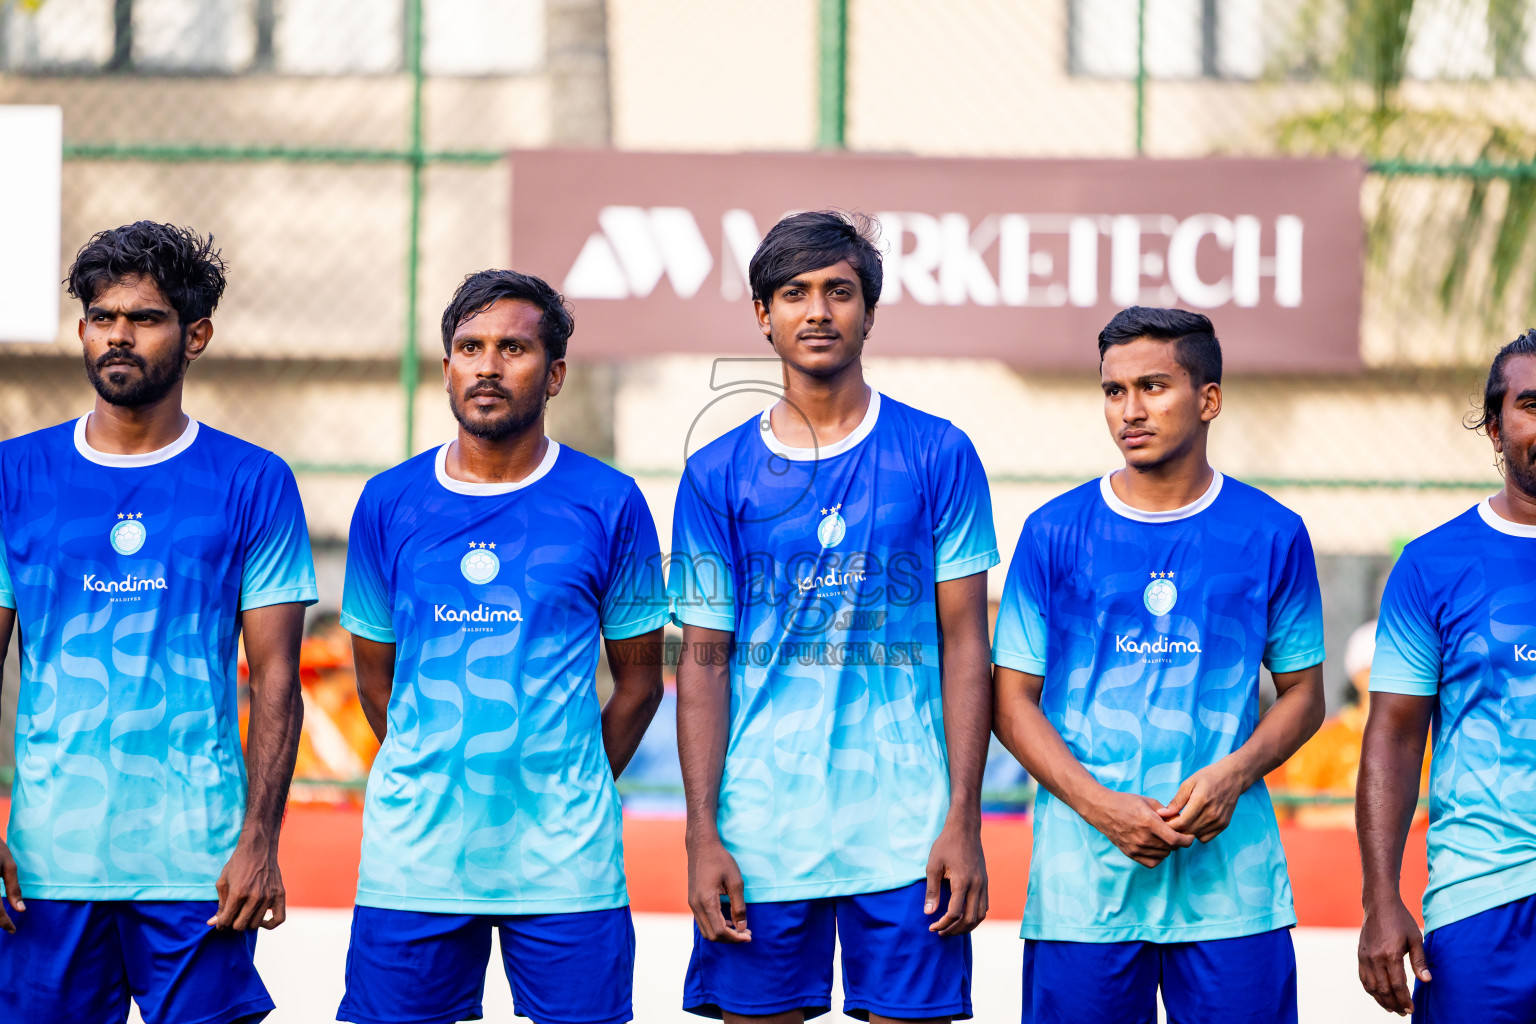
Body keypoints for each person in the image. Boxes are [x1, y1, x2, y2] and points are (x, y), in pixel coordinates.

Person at [668, 210, 997, 1023]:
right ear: (762, 315)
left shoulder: (937, 453)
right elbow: (702, 662)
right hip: (760, 833)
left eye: (839, 292)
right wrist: (702, 833)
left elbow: (966, 646)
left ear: (869, 313)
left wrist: (963, 818)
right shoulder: (716, 472)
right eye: (794, 292)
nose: (817, 311)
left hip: (909, 835)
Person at [0, 222, 318, 1024]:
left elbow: (278, 677)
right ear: (81, 330)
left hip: (198, 866)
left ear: (195, 334)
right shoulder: (15, 474)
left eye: (143, 318)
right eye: (102, 316)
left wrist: (260, 841)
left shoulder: (253, 481)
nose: (118, 334)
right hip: (47, 865)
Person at [336, 270, 667, 1024]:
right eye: (468, 347)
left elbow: (641, 684)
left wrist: (570, 777)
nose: (487, 365)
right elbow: (375, 685)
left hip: (566, 864)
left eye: (512, 348)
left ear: (552, 375)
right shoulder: (389, 502)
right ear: (447, 366)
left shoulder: (609, 502)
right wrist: (432, 769)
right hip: (414, 860)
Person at [991, 306, 1326, 1024]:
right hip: (1082, 891)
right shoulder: (1052, 532)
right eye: (1114, 391)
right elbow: (1010, 700)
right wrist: (1099, 806)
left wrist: (1235, 772)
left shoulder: (1271, 533)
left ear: (1209, 399)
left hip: (1231, 891)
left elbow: (1304, 694)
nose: (1130, 411)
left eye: (1153, 387)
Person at [1357, 328, 1536, 1021]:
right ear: (1496, 428)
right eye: (1531, 405)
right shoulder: (1433, 565)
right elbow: (1394, 739)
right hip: (1479, 901)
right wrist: (1380, 899)